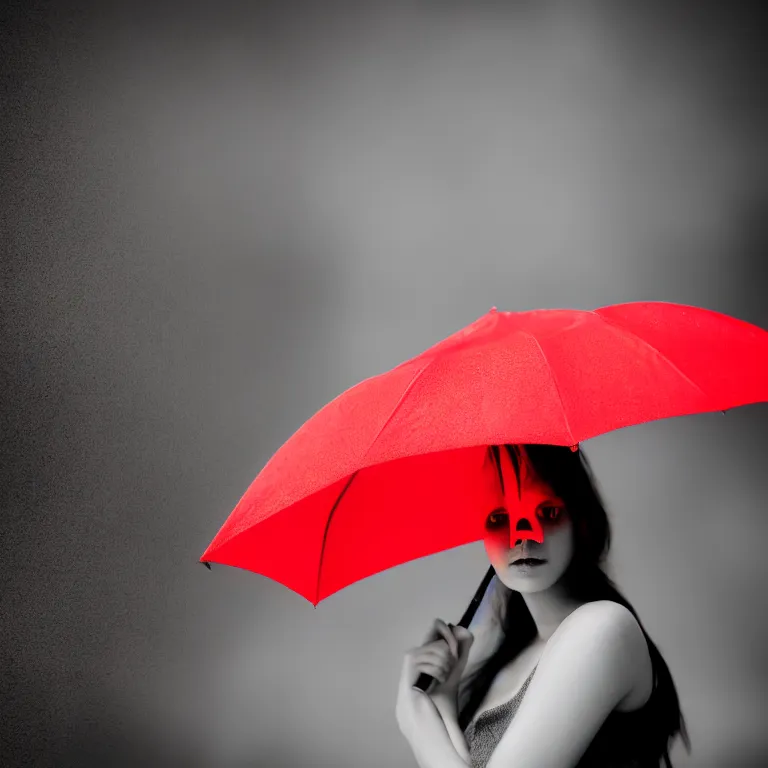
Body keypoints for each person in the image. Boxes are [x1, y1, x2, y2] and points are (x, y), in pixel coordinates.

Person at [406, 443, 691, 768]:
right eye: (500, 517)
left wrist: (413, 714)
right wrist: (442, 702)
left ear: (579, 519)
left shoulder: (603, 630)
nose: (522, 536)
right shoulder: (511, 655)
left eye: (547, 512)